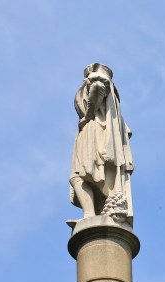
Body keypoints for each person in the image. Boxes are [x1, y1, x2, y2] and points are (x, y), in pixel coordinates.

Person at [69, 63, 134, 226]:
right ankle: (90, 213)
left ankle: (92, 213)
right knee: (83, 175)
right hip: (95, 129)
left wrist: (88, 115)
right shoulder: (113, 96)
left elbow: (98, 86)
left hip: (94, 129)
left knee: (80, 175)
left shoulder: (96, 80)